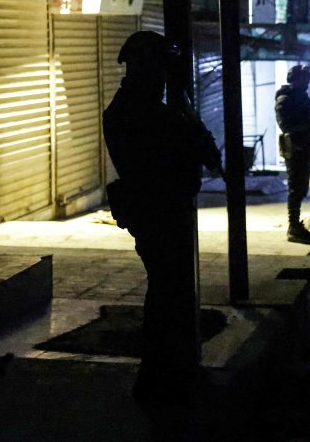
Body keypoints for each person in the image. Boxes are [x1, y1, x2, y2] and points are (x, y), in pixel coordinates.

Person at [103, 31, 221, 405]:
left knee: (170, 292)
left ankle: (164, 375)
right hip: (157, 212)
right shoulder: (137, 112)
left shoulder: (147, 109)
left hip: (162, 210)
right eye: (158, 69)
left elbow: (196, 146)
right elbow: (190, 145)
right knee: (168, 294)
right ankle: (158, 379)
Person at [274, 64, 310, 244]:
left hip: (305, 147)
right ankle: (293, 226)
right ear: (295, 78)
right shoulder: (285, 99)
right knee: (295, 188)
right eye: (304, 78)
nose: (307, 82)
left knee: (301, 187)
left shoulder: (302, 98)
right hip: (294, 148)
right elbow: (286, 125)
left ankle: (296, 225)